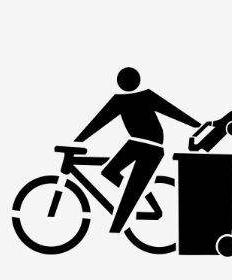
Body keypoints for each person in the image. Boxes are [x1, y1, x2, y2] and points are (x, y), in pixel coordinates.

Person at [73, 67, 199, 234]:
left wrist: (196, 124)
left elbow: (172, 112)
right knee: (109, 171)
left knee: (127, 191)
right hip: (136, 144)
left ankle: (126, 213)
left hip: (148, 146)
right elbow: (98, 122)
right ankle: (134, 196)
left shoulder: (144, 96)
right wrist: (78, 140)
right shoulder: (120, 101)